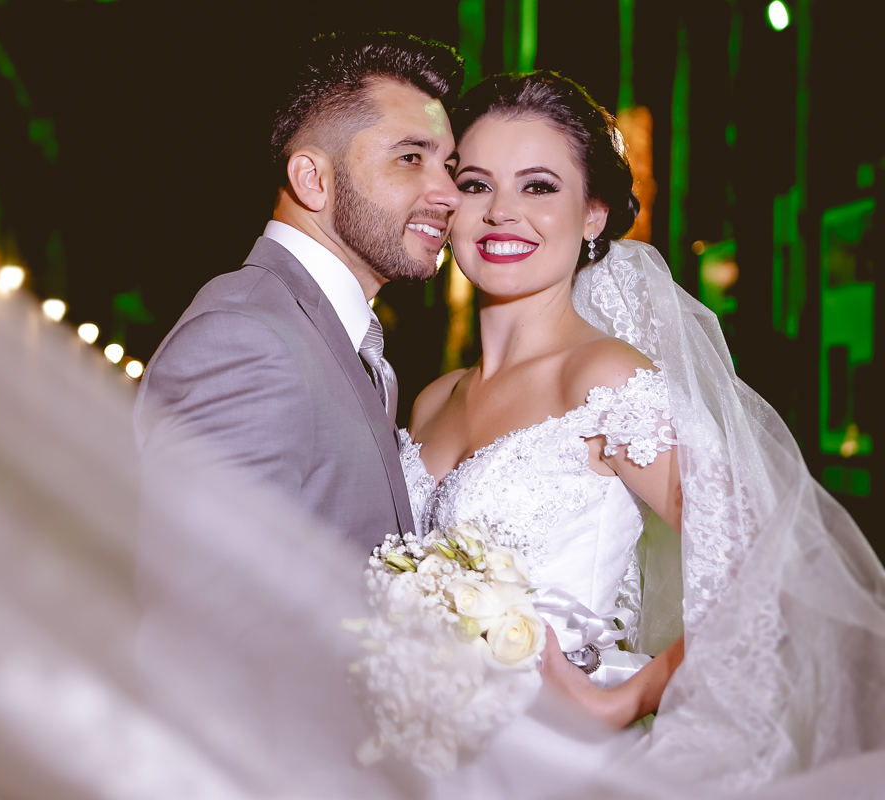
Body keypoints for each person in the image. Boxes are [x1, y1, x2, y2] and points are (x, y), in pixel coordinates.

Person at [396, 70, 885, 792]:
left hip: (554, 766)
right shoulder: (432, 400)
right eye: (475, 185)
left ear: (592, 215)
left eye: (539, 187)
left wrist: (629, 697)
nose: (502, 212)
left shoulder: (605, 380)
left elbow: (773, 568)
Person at [134, 32, 462, 553]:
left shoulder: (332, 335)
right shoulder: (244, 340)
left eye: (448, 166)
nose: (449, 193)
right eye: (409, 158)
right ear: (312, 179)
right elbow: (212, 591)